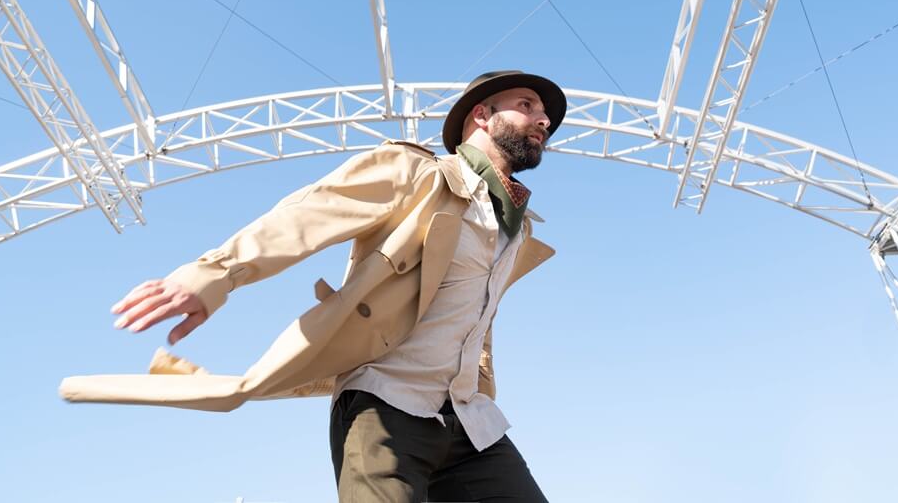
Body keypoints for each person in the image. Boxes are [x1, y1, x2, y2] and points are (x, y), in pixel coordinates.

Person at [74, 70, 567, 503]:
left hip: (469, 422)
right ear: (481, 115)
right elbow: (308, 215)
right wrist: (212, 274)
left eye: (544, 114)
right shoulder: (416, 174)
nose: (542, 120)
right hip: (385, 406)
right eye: (527, 106)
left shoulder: (516, 227)